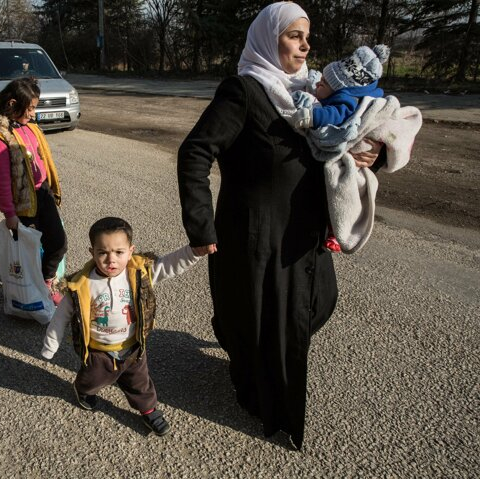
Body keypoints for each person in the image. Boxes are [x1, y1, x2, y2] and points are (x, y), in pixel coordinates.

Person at [176, 1, 382, 449]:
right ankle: (256, 389)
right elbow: (194, 152)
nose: (305, 44)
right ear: (270, 40)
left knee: (318, 302)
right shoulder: (244, 91)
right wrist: (201, 227)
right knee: (256, 317)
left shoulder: (310, 93)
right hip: (253, 232)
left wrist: (372, 154)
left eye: (307, 35)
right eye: (294, 34)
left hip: (303, 232)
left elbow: (349, 135)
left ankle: (256, 356)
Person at [40, 217, 207, 436]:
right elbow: (60, 317)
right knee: (92, 379)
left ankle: (148, 410)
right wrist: (50, 345)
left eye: (119, 252)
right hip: (99, 350)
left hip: (133, 347)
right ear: (92, 252)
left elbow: (169, 265)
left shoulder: (138, 273)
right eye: (103, 253)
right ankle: (82, 390)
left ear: (130, 251)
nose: (111, 259)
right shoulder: (80, 286)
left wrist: (194, 252)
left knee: (140, 383)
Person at [291, 44, 390, 253]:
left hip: (340, 163)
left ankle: (337, 230)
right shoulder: (332, 90)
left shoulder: (342, 99)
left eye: (324, 83)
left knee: (340, 194)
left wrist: (312, 116)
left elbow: (335, 114)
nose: (318, 84)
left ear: (338, 89)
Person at [0, 77, 67, 305]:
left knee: (58, 242)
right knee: (28, 252)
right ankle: (30, 292)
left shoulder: (29, 127)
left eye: (34, 107)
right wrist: (9, 213)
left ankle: (46, 280)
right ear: (12, 104)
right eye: (30, 108)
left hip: (43, 193)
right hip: (23, 203)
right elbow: (1, 180)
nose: (32, 113)